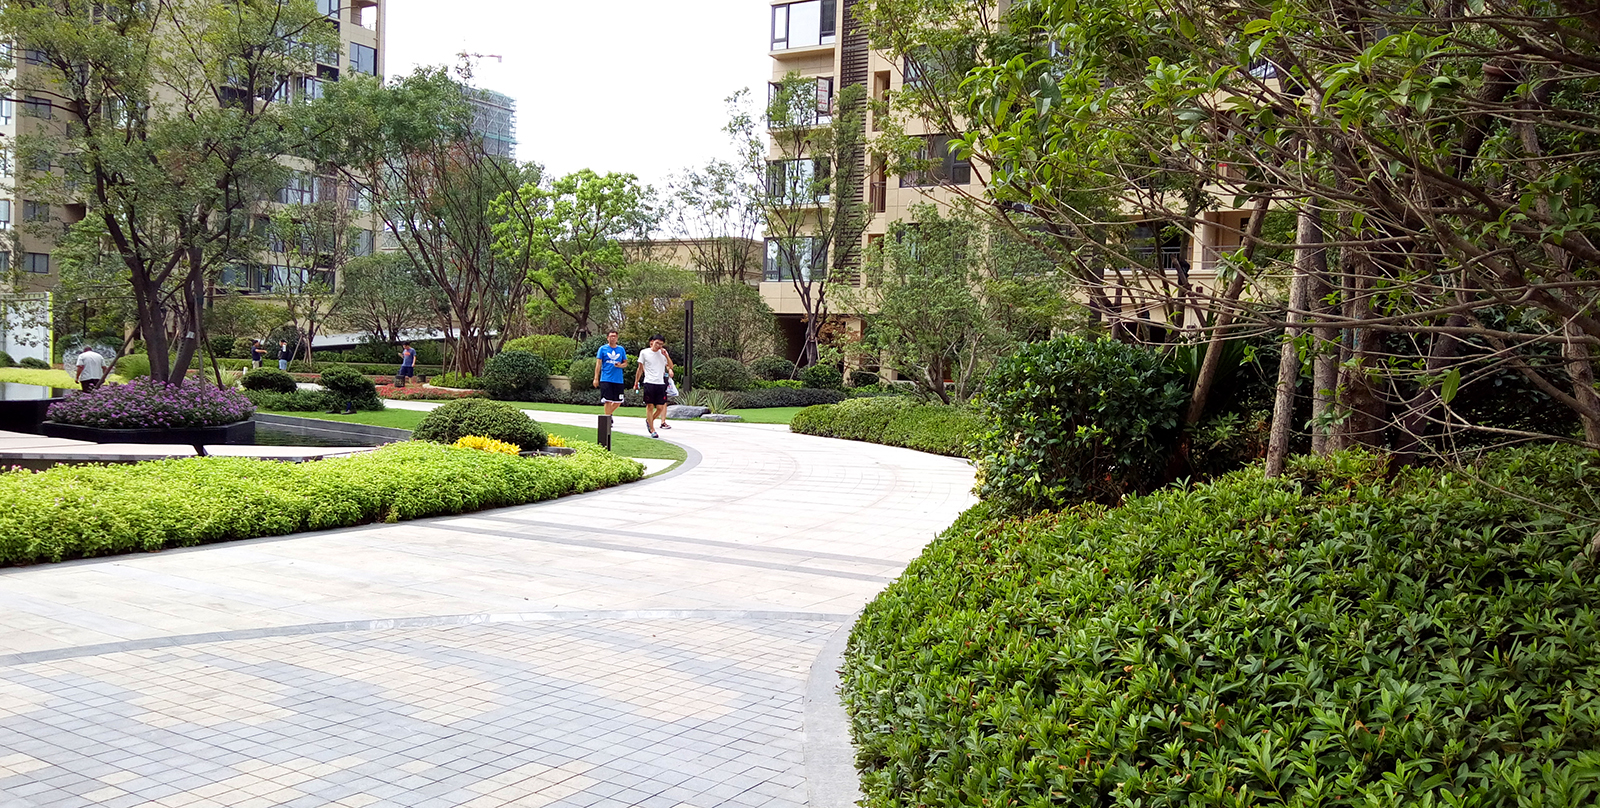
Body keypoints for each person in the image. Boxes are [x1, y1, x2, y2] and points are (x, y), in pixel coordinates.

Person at [634, 334, 674, 438]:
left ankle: (649, 420)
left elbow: (670, 365)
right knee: (650, 406)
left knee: (660, 408)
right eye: (657, 343)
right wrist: (636, 382)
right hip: (649, 382)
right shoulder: (644, 352)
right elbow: (640, 368)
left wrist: (666, 355)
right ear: (652, 342)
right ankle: (652, 429)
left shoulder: (663, 353)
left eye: (661, 344)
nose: (658, 346)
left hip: (660, 383)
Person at [593, 329, 628, 418]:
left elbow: (625, 363)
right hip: (606, 378)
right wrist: (596, 378)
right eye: (611, 336)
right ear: (607, 338)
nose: (613, 338)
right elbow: (598, 364)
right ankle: (608, 419)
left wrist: (620, 365)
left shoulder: (621, 349)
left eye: (615, 336)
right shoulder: (602, 349)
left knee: (618, 401)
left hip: (618, 379)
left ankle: (608, 415)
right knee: (607, 400)